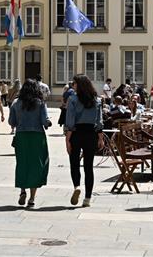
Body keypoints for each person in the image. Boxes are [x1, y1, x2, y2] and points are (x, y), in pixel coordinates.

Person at [9, 79, 51, 208]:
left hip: (21, 136)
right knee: (36, 165)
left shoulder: (16, 103)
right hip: (37, 137)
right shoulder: (40, 103)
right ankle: (32, 198)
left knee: (22, 163)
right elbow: (45, 121)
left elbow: (12, 122)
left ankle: (22, 191)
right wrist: (48, 123)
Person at [65, 74, 104, 208]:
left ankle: (76, 186)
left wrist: (67, 139)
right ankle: (87, 198)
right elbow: (99, 121)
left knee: (74, 163)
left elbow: (70, 121)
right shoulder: (97, 100)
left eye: (74, 83)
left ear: (79, 85)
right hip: (91, 133)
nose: (72, 86)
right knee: (89, 166)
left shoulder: (73, 99)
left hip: (76, 133)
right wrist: (100, 137)